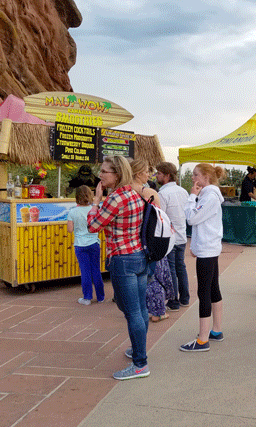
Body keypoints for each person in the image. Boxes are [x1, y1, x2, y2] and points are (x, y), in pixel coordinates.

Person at [88, 156, 150, 380]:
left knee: (131, 311)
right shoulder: (134, 194)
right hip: (139, 255)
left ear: (117, 174)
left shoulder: (114, 198)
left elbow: (93, 226)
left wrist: (96, 202)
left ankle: (140, 364)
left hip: (122, 259)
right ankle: (138, 349)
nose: (100, 175)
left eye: (105, 172)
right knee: (140, 309)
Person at [180, 163, 226, 352]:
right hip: (208, 248)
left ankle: (202, 339)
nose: (193, 178)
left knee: (204, 292)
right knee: (213, 289)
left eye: (196, 174)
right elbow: (202, 224)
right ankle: (216, 330)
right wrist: (196, 245)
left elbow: (191, 219)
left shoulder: (209, 197)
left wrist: (191, 197)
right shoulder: (209, 196)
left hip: (208, 249)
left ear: (206, 177)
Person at [131, 160, 169, 323]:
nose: (149, 175)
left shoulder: (122, 191)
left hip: (132, 241)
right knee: (154, 277)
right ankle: (158, 311)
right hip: (149, 240)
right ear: (138, 173)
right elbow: (160, 217)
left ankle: (139, 309)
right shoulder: (149, 192)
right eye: (146, 171)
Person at [156, 162, 190, 310]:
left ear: (167, 175)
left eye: (159, 173)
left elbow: (161, 217)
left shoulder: (162, 194)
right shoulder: (183, 191)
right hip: (182, 234)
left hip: (169, 237)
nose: (156, 176)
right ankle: (185, 298)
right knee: (181, 267)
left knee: (171, 269)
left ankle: (173, 301)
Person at [67, 185, 105, 306]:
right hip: (94, 243)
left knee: (85, 271)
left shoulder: (73, 211)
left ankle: (87, 297)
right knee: (96, 270)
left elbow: (69, 229)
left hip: (80, 245)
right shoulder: (94, 210)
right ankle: (101, 296)